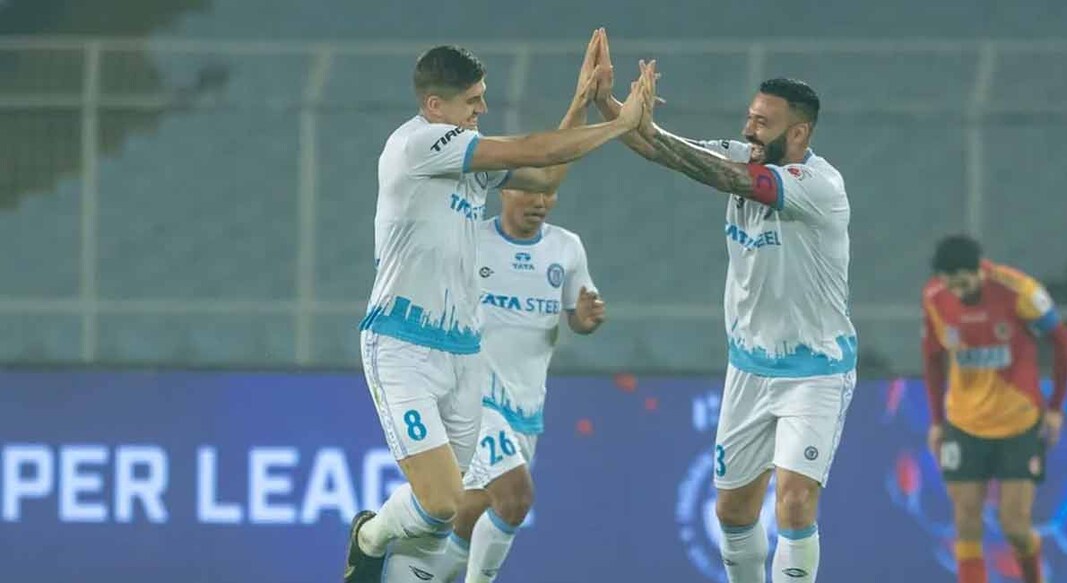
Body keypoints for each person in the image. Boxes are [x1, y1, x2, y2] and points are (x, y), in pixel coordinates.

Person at [345, 29, 650, 583]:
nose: (483, 108)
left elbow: (546, 173)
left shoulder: (467, 156)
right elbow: (532, 149)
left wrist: (582, 102)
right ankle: (368, 537)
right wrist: (620, 124)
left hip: (465, 354)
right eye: (473, 100)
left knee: (443, 521)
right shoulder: (418, 145)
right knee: (439, 503)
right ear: (436, 106)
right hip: (403, 345)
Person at [591, 31, 856, 583]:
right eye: (750, 117)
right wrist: (612, 108)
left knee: (794, 502)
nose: (749, 129)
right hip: (749, 369)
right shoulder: (745, 157)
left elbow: (714, 172)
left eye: (764, 122)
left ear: (800, 132)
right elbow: (662, 148)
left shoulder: (818, 186)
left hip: (815, 372)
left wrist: (636, 123)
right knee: (733, 512)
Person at [922, 235, 1067, 583]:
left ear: (981, 270)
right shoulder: (934, 297)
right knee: (965, 523)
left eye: (963, 283)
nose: (957, 292)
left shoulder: (1019, 290)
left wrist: (1055, 409)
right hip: (963, 423)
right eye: (950, 285)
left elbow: (1063, 342)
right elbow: (932, 357)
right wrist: (935, 421)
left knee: (1015, 526)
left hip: (1017, 424)